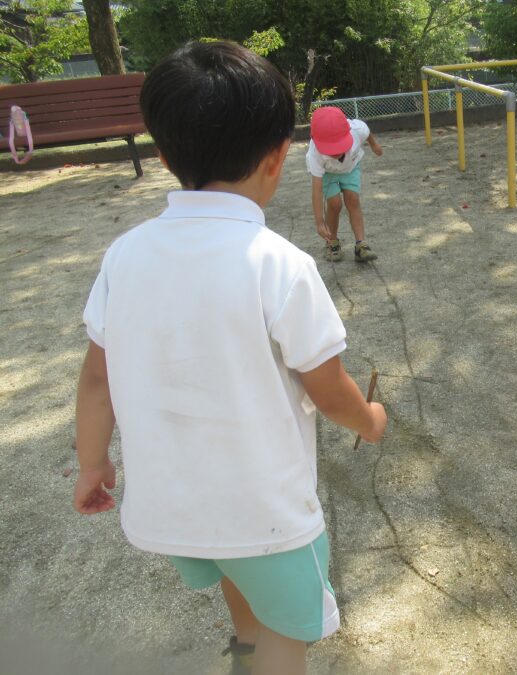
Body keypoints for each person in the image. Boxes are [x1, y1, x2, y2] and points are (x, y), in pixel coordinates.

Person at [73, 41, 387, 675]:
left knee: (237, 577)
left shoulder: (124, 255)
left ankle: (244, 653)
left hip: (175, 507)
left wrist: (91, 462)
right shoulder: (280, 264)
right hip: (263, 511)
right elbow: (328, 389)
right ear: (277, 159)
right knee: (289, 631)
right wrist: (370, 420)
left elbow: (97, 378)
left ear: (164, 157)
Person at [305, 106, 383, 263]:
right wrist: (319, 222)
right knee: (334, 204)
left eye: (338, 146)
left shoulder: (357, 130)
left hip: (350, 167)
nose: (335, 152)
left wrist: (374, 145)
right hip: (328, 173)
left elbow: (367, 131)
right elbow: (317, 190)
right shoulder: (315, 153)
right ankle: (332, 243)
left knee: (353, 199)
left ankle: (361, 245)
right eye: (330, 149)